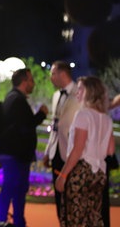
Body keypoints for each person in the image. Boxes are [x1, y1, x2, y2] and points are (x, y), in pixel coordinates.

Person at [55, 76, 115, 226]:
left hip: (81, 171)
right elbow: (110, 150)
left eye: (81, 88)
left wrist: (63, 175)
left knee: (74, 218)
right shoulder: (106, 119)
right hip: (100, 173)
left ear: (90, 92)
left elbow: (77, 149)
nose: (77, 92)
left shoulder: (83, 115)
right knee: (93, 218)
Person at [0, 68, 48, 227]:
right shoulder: (17, 100)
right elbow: (26, 125)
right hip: (15, 154)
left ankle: (11, 221)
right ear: (24, 82)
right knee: (13, 189)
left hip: (13, 153)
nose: (33, 83)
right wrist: (41, 114)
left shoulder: (11, 98)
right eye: (31, 80)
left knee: (14, 189)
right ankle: (5, 221)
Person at [42, 60, 81, 219]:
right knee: (59, 197)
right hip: (56, 151)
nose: (50, 77)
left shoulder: (80, 93)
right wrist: (47, 151)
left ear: (62, 74)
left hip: (72, 152)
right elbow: (55, 124)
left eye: (53, 73)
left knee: (72, 196)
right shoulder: (56, 95)